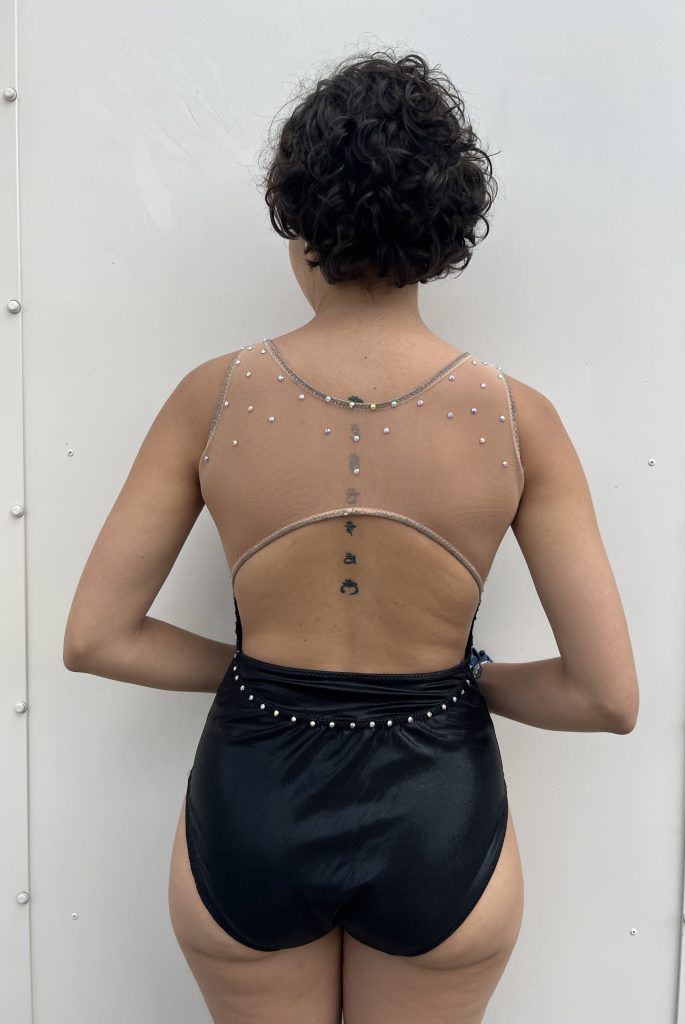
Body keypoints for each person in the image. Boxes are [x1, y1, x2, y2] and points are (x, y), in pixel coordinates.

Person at [63, 46, 638, 1024]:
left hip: (252, 799)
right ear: (445, 227)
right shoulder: (517, 420)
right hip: (439, 812)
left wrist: (268, 676)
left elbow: (96, 638)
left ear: (298, 220)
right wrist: (468, 676)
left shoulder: (213, 398)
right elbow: (606, 696)